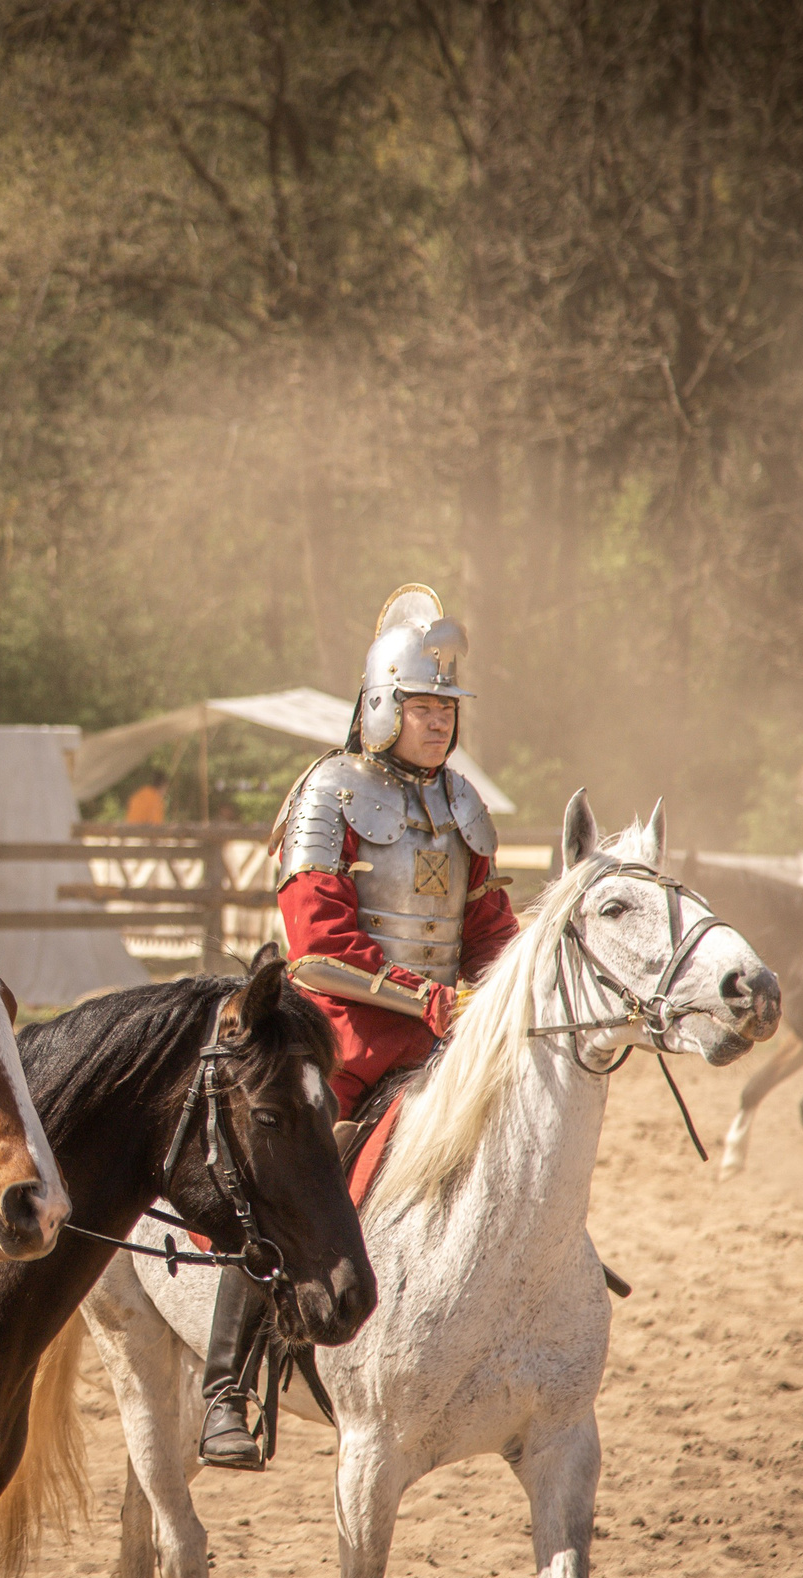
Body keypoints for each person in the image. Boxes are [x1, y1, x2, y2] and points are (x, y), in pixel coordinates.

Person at [202, 583, 518, 1472]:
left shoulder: (463, 802)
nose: (438, 723)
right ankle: (225, 1384)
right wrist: (422, 996)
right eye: (422, 706)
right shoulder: (330, 792)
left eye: (447, 708)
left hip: (442, 1036)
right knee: (288, 1168)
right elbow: (314, 950)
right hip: (338, 1040)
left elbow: (491, 929)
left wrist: (507, 996)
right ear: (382, 705)